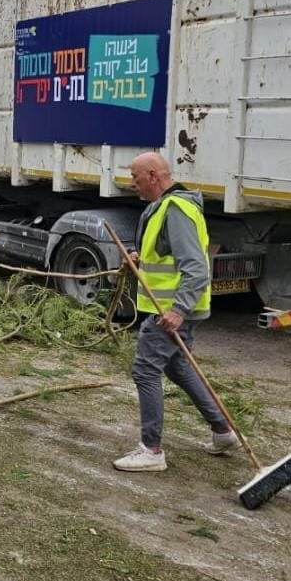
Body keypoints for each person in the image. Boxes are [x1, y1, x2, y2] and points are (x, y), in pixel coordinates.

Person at [113, 152, 239, 472]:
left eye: (136, 177)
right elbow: (166, 254)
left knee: (145, 370)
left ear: (153, 175)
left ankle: (151, 450)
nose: (133, 184)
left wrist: (179, 309)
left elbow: (196, 268)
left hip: (170, 311)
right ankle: (223, 432)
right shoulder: (165, 207)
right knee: (178, 367)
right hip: (172, 307)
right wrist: (140, 257)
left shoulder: (176, 209)